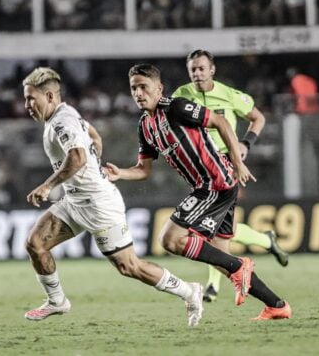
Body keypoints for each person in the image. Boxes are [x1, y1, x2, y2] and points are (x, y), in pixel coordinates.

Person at [105, 63, 291, 320]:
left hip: (215, 182)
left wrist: (238, 163)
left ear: (159, 89)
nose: (138, 93)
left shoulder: (177, 107)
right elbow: (143, 170)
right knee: (221, 258)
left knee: (170, 240)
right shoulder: (145, 126)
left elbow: (222, 122)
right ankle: (276, 305)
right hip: (209, 186)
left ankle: (241, 266)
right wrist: (120, 174)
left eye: (144, 87)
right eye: (134, 88)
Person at [22, 67, 204, 326]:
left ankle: (189, 291)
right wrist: (95, 162)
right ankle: (57, 301)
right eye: (26, 98)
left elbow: (77, 157)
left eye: (32, 98)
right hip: (75, 201)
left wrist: (47, 186)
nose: (27, 105)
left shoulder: (63, 121)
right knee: (35, 244)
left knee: (130, 267)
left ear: (50, 96)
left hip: (99, 205)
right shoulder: (65, 114)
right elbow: (93, 136)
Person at [172, 49, 289, 302]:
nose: (197, 73)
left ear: (212, 69)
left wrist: (246, 144)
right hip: (200, 168)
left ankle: (214, 285)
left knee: (205, 230)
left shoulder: (228, 95)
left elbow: (257, 117)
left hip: (226, 166)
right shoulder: (181, 95)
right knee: (223, 230)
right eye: (193, 69)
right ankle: (265, 243)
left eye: (202, 68)